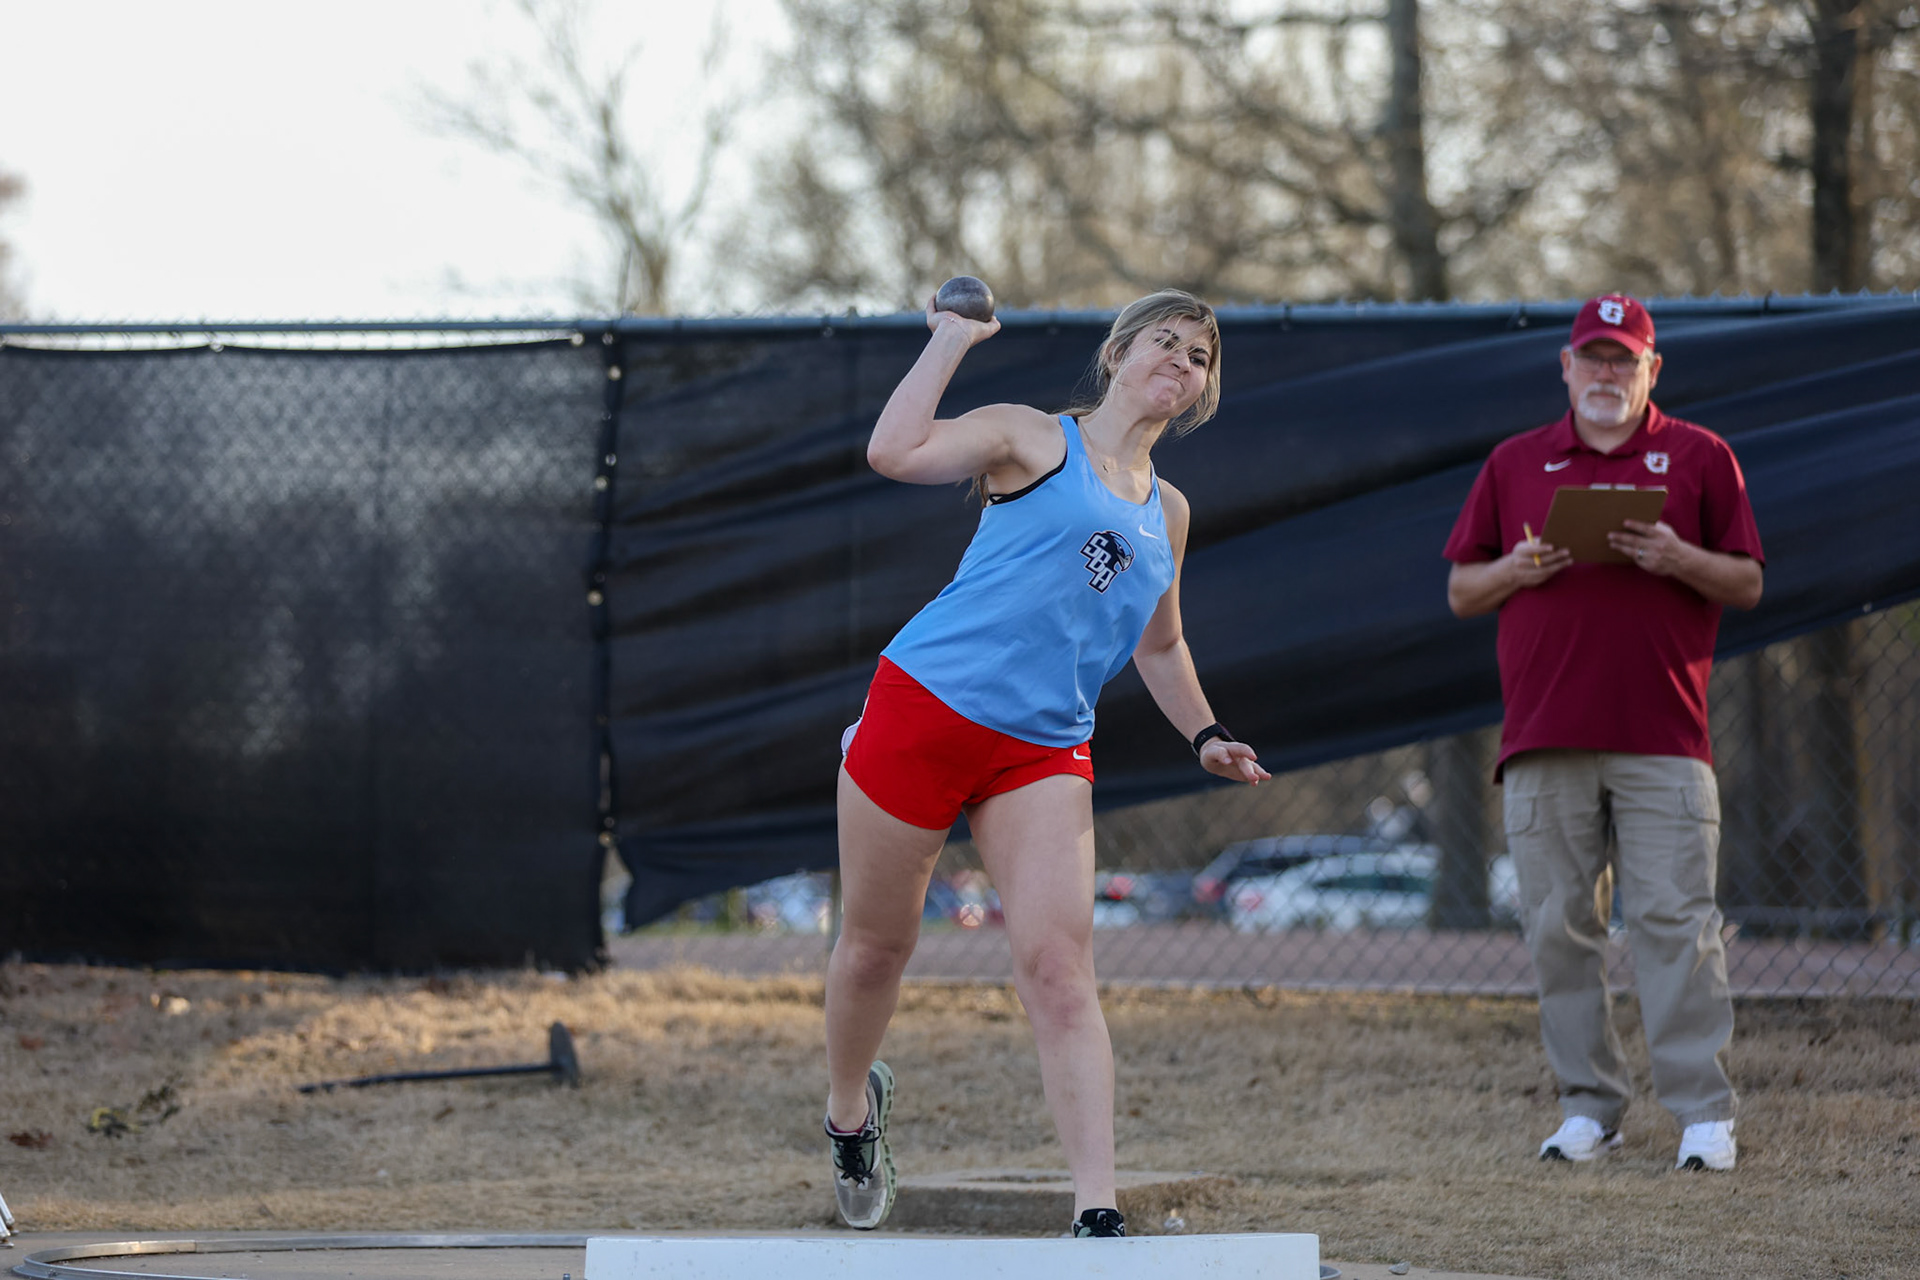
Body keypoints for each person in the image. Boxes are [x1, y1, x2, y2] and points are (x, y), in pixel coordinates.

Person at [824, 288, 1269, 1236]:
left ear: (1199, 393)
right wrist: (951, 339)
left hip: (1044, 746)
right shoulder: (1032, 440)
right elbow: (893, 451)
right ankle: (851, 1115)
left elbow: (1159, 645)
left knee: (1060, 968)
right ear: (1117, 354)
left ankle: (1095, 1212)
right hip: (924, 710)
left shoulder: (1170, 512)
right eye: (1165, 341)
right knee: (875, 951)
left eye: (1199, 356)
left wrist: (1205, 733)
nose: (1182, 361)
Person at [1443, 294, 1764, 1173]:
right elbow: (1462, 592)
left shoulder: (1701, 456)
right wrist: (1517, 566)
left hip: (1665, 737)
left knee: (1675, 920)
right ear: (1566, 367)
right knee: (1558, 928)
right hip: (1544, 734)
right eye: (1594, 358)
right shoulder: (1517, 462)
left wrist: (1676, 557)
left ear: (1652, 370)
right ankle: (1589, 1109)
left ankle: (1703, 1113)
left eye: (1625, 360)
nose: (1607, 376)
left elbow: (1745, 582)